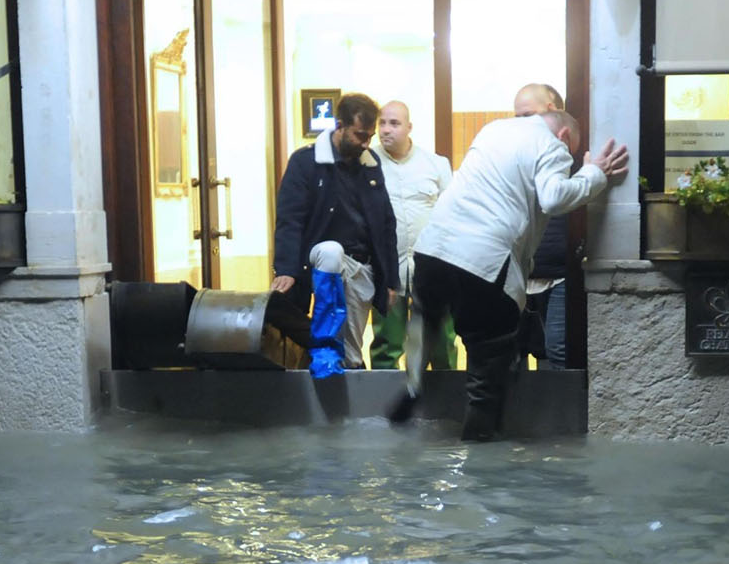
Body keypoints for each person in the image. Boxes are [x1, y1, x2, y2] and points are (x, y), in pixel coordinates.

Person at [411, 110, 628, 440]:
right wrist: (593, 173)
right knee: (489, 359)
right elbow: (554, 198)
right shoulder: (551, 144)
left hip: (432, 250)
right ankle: (480, 453)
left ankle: (407, 394)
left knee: (425, 322)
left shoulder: (493, 130)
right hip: (483, 261)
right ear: (565, 137)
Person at [267, 93, 399, 371]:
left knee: (350, 352)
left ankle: (344, 383)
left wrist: (389, 279)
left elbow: (385, 223)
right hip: (321, 258)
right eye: (360, 135)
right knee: (331, 252)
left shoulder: (370, 163)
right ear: (340, 125)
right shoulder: (305, 162)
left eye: (369, 136)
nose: (366, 142)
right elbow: (290, 219)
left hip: (361, 264)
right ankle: (326, 362)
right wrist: (287, 269)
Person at [368, 100, 455, 371]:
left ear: (409, 127)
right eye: (382, 123)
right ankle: (386, 408)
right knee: (386, 344)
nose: (385, 130)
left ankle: (446, 406)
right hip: (386, 271)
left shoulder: (436, 164)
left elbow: (452, 214)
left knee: (440, 342)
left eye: (394, 123)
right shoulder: (366, 164)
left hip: (432, 269)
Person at [512, 83, 574, 369]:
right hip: (519, 274)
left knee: (557, 350)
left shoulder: (570, 148)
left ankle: (562, 414)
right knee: (512, 353)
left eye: (528, 116)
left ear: (552, 111)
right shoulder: (514, 156)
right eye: (518, 119)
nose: (522, 126)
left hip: (561, 275)